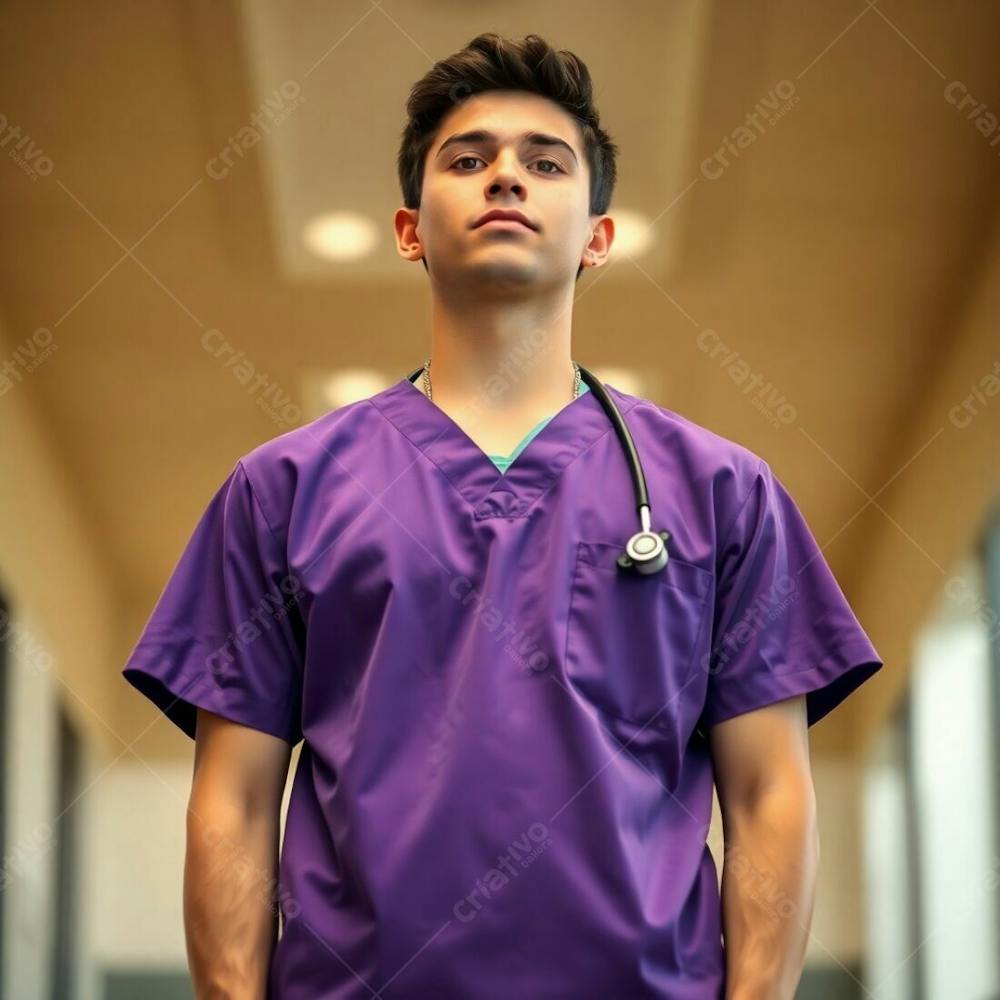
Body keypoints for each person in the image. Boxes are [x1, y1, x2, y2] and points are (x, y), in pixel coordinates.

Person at [122, 32, 884, 1000]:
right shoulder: (282, 488)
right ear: (409, 229)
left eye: (545, 162)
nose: (506, 180)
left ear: (598, 236)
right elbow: (232, 799)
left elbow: (769, 792)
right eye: (469, 160)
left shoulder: (722, 490)